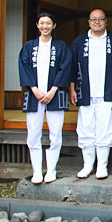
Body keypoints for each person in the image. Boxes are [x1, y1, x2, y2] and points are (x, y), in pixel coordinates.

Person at [69, 9, 112, 179]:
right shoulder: (79, 41)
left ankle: (102, 167)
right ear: (88, 22)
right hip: (85, 93)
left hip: (108, 93)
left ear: (106, 21)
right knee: (85, 130)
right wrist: (71, 88)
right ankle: (87, 166)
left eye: (101, 19)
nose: (97, 22)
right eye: (94, 19)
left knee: (106, 130)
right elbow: (71, 67)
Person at [18, 12, 72, 184]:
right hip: (35, 95)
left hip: (55, 95)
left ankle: (51, 170)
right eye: (42, 23)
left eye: (48, 23)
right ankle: (36, 171)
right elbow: (24, 67)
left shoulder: (61, 46)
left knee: (55, 134)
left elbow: (65, 68)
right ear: (37, 25)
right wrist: (34, 89)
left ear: (54, 26)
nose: (45, 26)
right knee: (33, 134)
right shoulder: (29, 46)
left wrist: (52, 90)